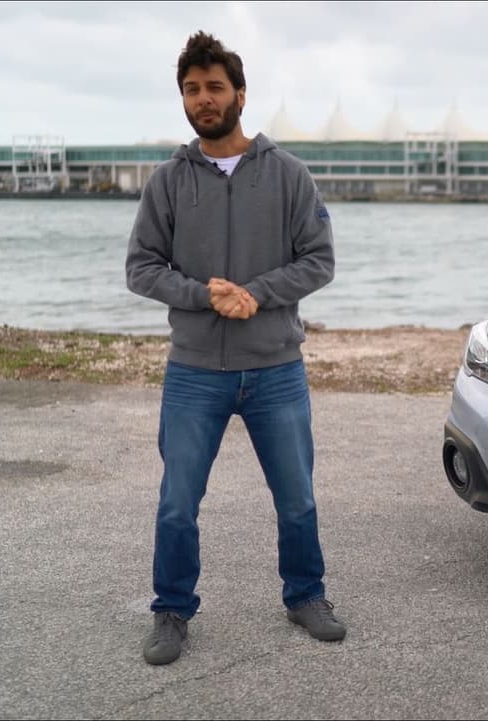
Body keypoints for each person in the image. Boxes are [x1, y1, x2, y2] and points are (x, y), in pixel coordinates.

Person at [125, 30, 342, 666]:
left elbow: (319, 260)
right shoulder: (168, 181)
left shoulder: (289, 174)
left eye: (215, 87)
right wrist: (203, 295)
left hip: (276, 368)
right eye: (192, 89)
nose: (203, 99)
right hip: (194, 372)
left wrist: (256, 294)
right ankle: (171, 610)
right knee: (177, 504)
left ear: (240, 94)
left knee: (297, 498)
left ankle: (306, 595)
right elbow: (141, 267)